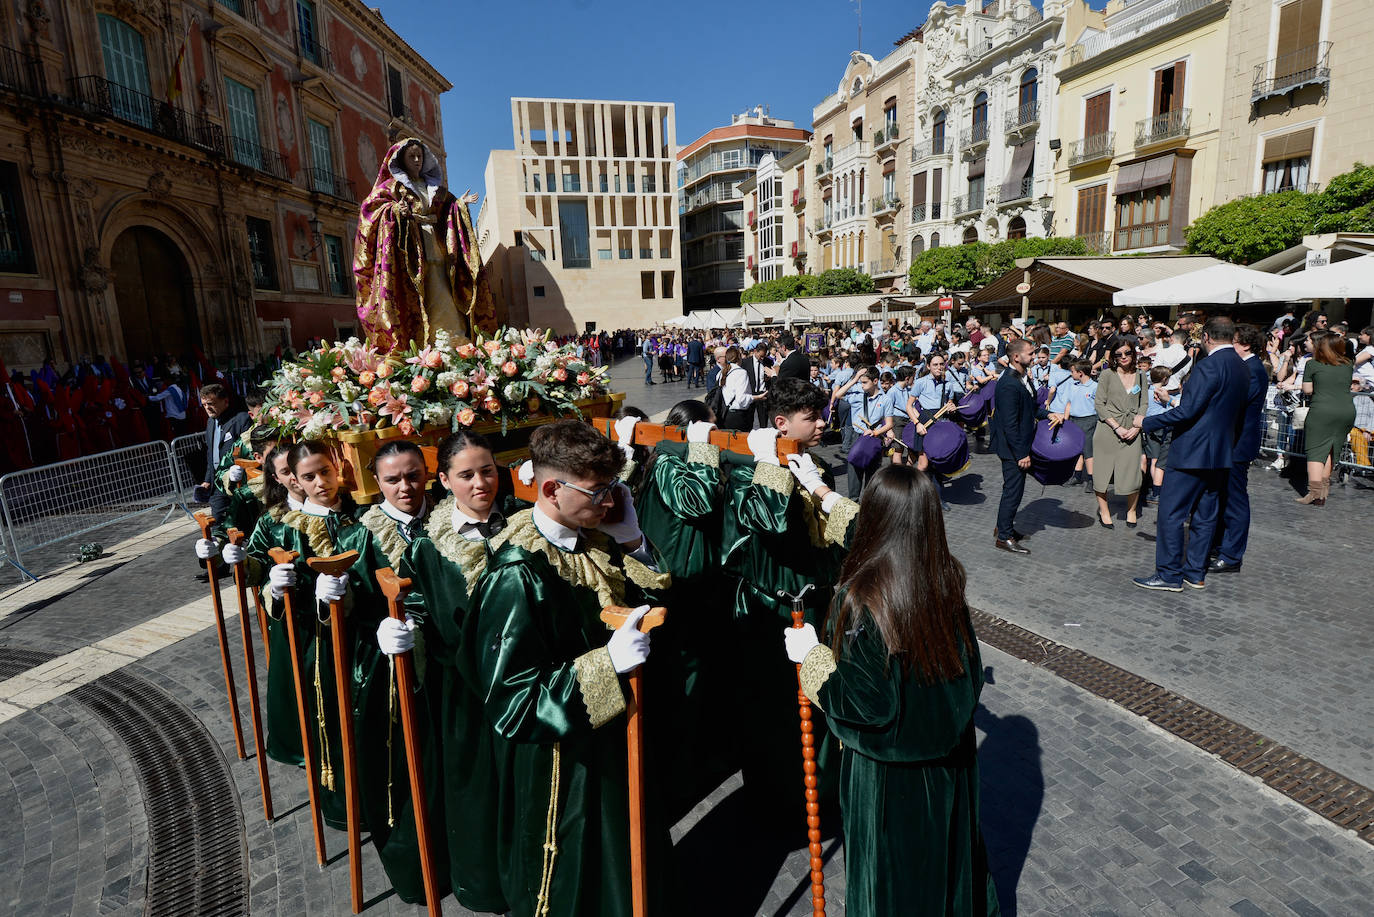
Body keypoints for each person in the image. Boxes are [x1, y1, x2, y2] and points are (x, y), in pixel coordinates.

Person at [463, 420, 669, 917]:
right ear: (552, 489)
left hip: (614, 741)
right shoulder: (517, 573)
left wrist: (633, 540)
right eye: (600, 492)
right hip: (559, 764)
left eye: (614, 489)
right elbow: (513, 702)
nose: (609, 502)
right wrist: (606, 665)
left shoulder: (593, 538)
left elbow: (652, 606)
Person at [783, 464, 999, 917]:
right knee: (943, 875)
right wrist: (822, 493)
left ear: (875, 517)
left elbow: (865, 706)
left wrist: (812, 658)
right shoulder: (944, 580)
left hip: (888, 785)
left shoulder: (862, 597)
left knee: (891, 890)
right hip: (950, 770)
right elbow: (972, 674)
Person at [376, 431, 509, 911]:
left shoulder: (519, 525)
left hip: (520, 684)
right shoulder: (429, 548)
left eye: (488, 470)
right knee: (475, 792)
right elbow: (415, 610)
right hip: (463, 694)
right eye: (467, 474)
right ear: (446, 481)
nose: (480, 483)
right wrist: (401, 634)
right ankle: (483, 881)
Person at [1135, 317, 1250, 592]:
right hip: (1221, 451)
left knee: (1172, 514)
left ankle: (1169, 574)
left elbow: (1188, 410)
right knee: (1206, 515)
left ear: (1207, 337)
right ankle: (1195, 572)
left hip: (1192, 451)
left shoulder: (1209, 365)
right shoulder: (1241, 366)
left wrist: (1146, 422)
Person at [354, 138, 495, 351]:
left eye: (420, 155)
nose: (417, 160)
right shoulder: (392, 188)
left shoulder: (434, 188)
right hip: (409, 254)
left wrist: (459, 205)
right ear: (402, 159)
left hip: (436, 247)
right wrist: (393, 212)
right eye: (412, 156)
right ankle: (423, 344)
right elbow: (369, 211)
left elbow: (446, 207)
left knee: (442, 291)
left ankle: (451, 338)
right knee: (418, 295)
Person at [1209, 325, 1270, 572]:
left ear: (1245, 344)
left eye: (1232, 342)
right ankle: (1221, 545)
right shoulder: (1246, 367)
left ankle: (1232, 555)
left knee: (1235, 499)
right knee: (1224, 495)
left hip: (1239, 443)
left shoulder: (1253, 370)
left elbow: (1236, 404)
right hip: (1230, 441)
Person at [990, 339, 1053, 555]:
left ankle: (1004, 527)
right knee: (1013, 492)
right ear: (1016, 357)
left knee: (1013, 491)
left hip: (1018, 447)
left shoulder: (1022, 377)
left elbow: (1030, 408)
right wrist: (1021, 454)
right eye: (1030, 353)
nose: (1034, 356)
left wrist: (1047, 414)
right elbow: (1009, 425)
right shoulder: (1008, 383)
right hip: (1013, 450)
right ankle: (1004, 537)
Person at [1295, 331, 1356, 506]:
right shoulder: (1348, 364)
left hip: (1322, 410)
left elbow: (1307, 390)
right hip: (1346, 411)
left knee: (1315, 452)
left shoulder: (1312, 364)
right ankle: (1323, 492)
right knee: (1330, 449)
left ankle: (1314, 493)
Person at [1092, 339, 1148, 528]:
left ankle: (1131, 510)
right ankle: (1104, 511)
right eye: (1119, 354)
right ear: (1114, 357)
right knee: (1101, 472)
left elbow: (1144, 404)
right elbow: (1099, 403)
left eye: (1127, 353)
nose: (1124, 357)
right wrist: (1117, 427)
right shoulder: (1107, 374)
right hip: (1108, 430)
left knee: (1133, 472)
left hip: (1133, 429)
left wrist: (1137, 427)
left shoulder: (1141, 375)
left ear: (1133, 354)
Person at [196, 383, 252, 525]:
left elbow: (248, 449)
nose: (207, 408)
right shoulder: (210, 422)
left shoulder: (241, 419)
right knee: (218, 522)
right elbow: (211, 453)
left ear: (225, 401)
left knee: (243, 522)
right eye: (204, 405)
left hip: (238, 481)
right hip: (217, 483)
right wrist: (207, 480)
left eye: (211, 403)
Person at [1047, 360, 1098, 490]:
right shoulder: (1073, 385)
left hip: (1088, 420)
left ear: (1080, 373)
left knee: (1087, 450)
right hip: (1074, 420)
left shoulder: (1094, 387)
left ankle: (1092, 479)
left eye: (1073, 372)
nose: (1071, 374)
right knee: (1077, 449)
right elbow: (1068, 404)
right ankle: (1077, 475)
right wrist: (1065, 419)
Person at [718, 346, 755, 432]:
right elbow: (741, 399)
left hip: (724, 414)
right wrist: (755, 398)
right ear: (739, 357)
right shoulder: (741, 373)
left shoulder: (721, 372)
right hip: (737, 416)